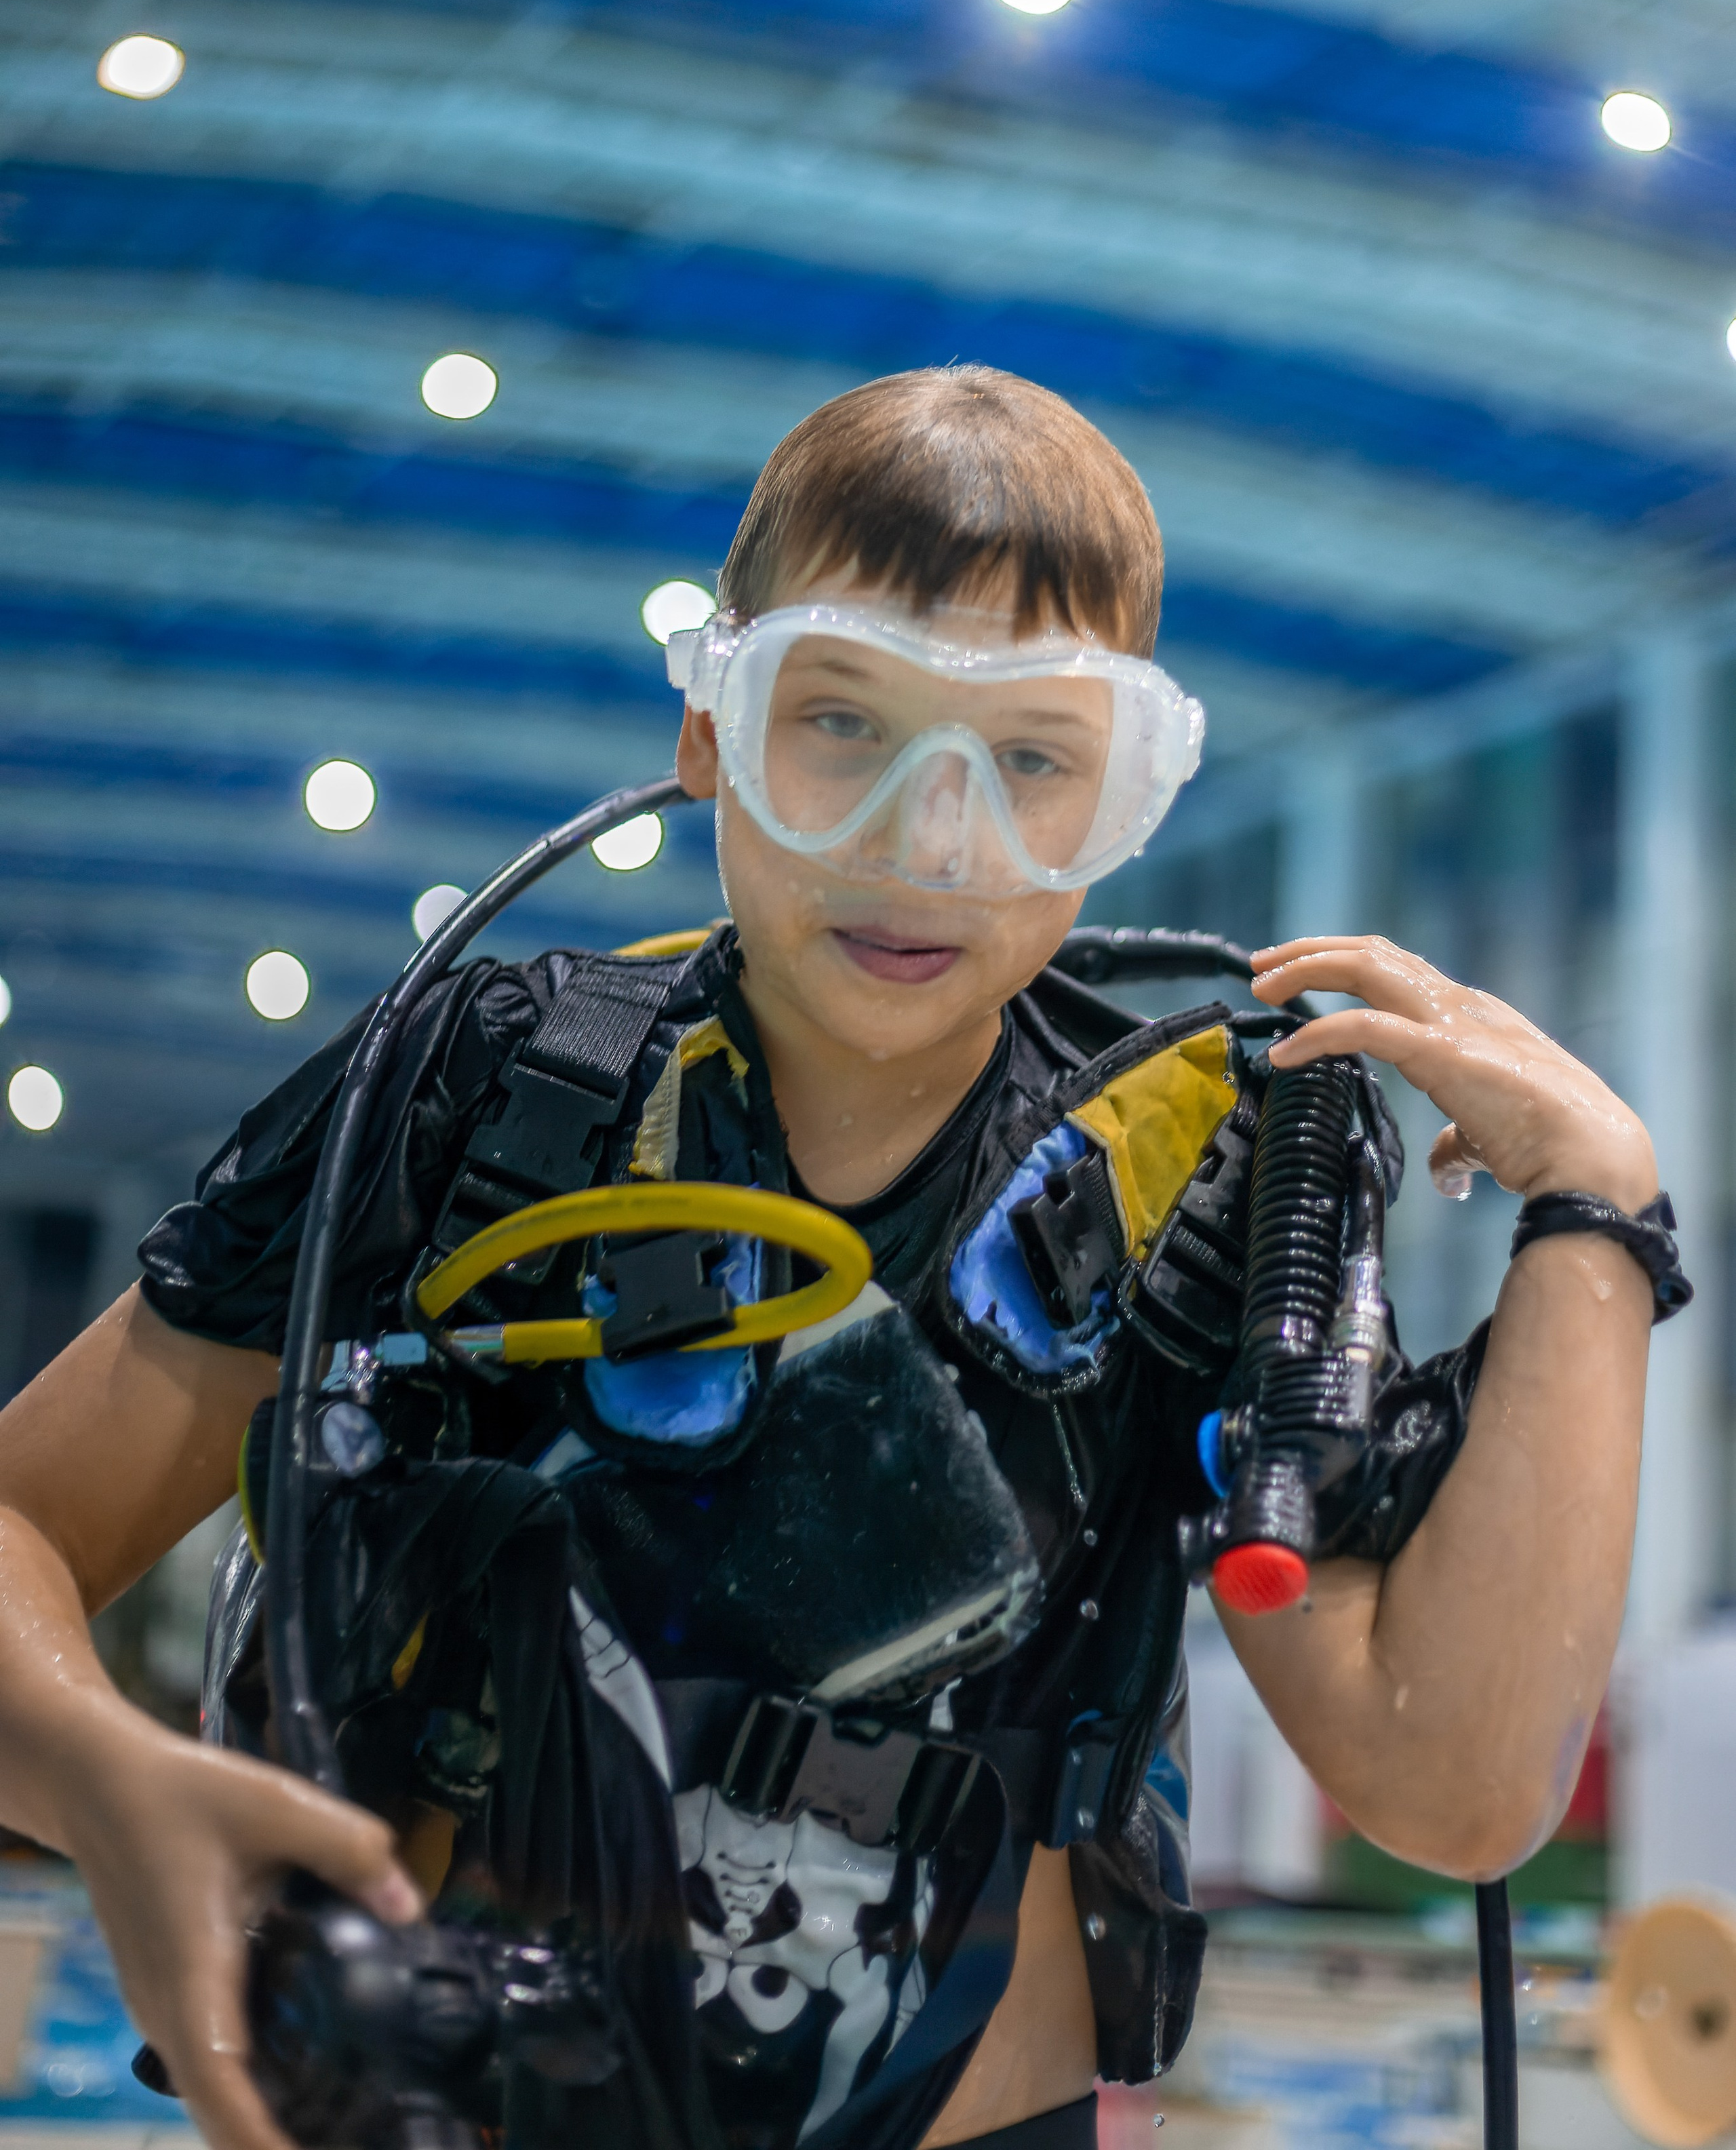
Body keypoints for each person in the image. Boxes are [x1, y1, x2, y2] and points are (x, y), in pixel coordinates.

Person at [0, 366, 1676, 2150]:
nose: (927, 837)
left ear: (1126, 797)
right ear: (713, 729)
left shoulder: (1195, 1181)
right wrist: (109, 1785)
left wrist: (1599, 1211)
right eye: (842, 723)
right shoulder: (478, 1092)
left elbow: (1455, 1783)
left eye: (1030, 756)